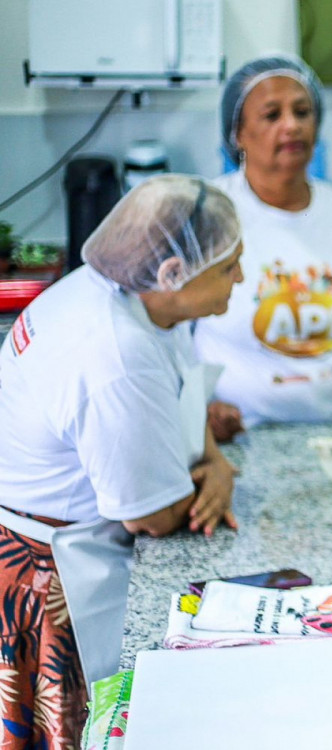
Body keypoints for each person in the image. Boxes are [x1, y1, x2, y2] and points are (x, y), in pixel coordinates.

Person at [0, 175, 243, 746]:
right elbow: (153, 516)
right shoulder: (114, 354)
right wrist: (214, 486)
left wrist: (215, 462)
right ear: (173, 275)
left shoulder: (127, 295)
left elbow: (182, 389)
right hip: (46, 569)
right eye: (229, 267)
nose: (242, 279)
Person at [194, 56, 332, 439]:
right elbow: (166, 331)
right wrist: (197, 408)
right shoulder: (207, 213)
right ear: (237, 134)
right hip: (239, 439)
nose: (291, 125)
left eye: (303, 112)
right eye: (272, 115)